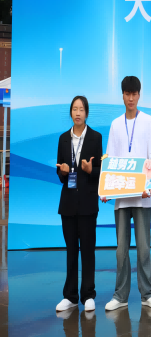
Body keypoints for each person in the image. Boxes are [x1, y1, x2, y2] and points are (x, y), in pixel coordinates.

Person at [104, 76, 151, 312]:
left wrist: (147, 184)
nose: (130, 98)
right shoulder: (116, 124)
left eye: (134, 93)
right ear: (122, 95)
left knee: (144, 248)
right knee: (121, 250)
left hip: (142, 197)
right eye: (127, 94)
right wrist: (106, 188)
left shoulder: (148, 121)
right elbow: (109, 160)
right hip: (121, 198)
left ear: (139, 95)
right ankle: (120, 296)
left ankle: (148, 293)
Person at [55, 96, 103, 312]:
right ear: (71, 113)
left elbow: (100, 171)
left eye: (81, 109)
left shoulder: (95, 137)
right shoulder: (63, 139)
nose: (77, 113)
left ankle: (88, 295)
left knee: (88, 250)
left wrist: (90, 170)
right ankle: (70, 296)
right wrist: (63, 172)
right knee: (71, 250)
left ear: (87, 113)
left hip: (87, 203)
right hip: (67, 203)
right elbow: (60, 173)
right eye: (74, 109)